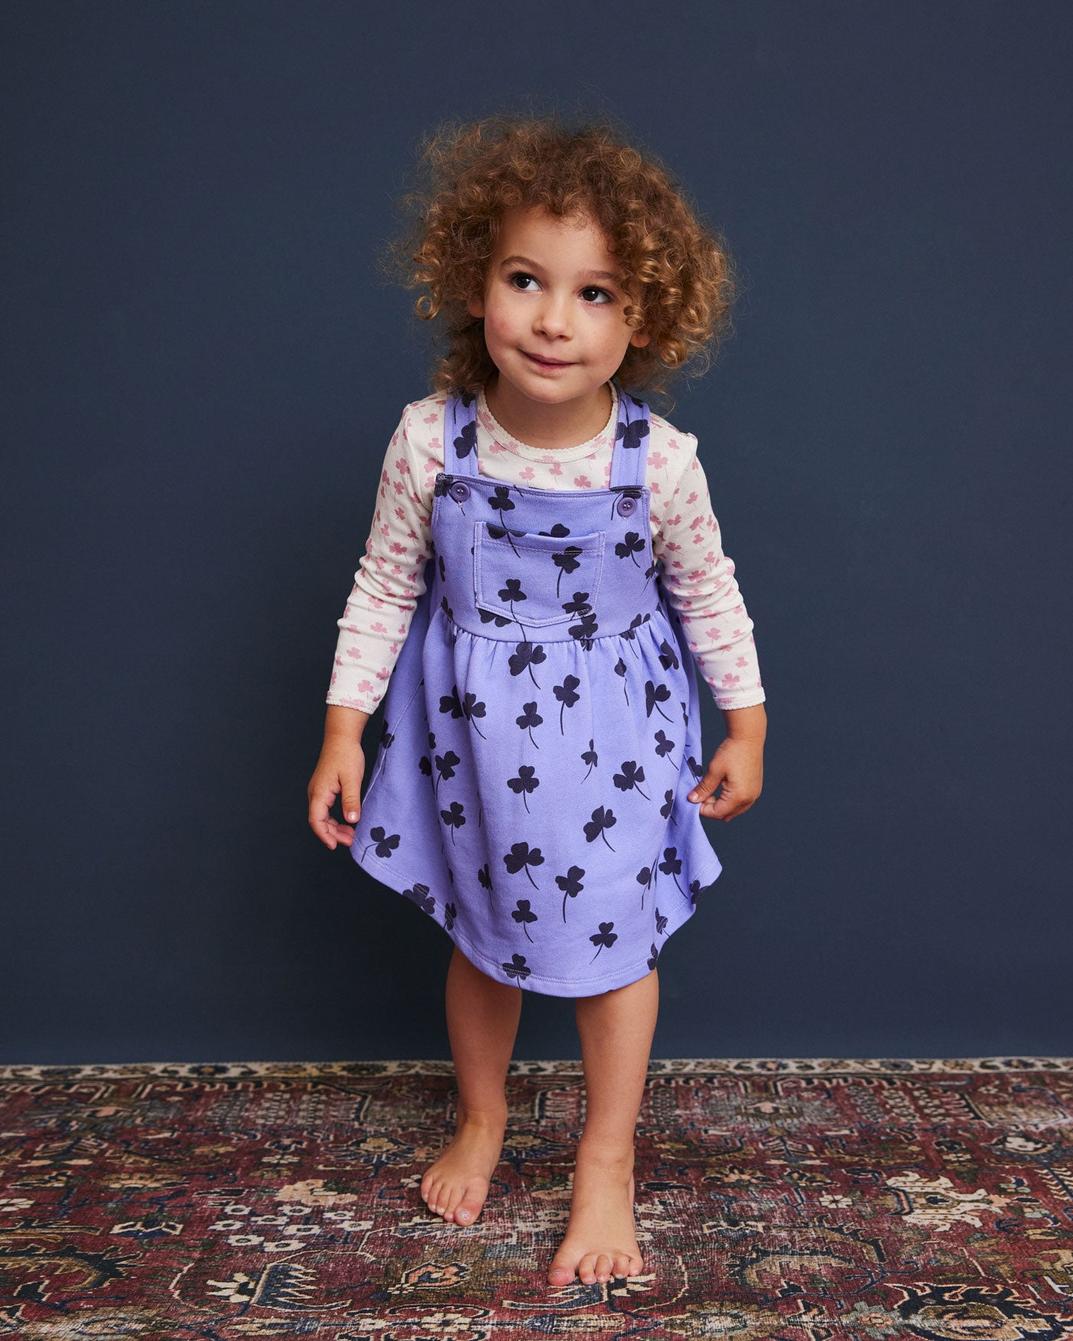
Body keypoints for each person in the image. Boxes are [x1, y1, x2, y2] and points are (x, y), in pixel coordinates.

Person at [307, 114, 768, 1289]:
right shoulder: (430, 442)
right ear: (475, 285)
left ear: (642, 319)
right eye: (525, 280)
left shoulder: (657, 464)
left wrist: (746, 724)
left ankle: (605, 1159)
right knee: (484, 939)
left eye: (594, 294)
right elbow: (383, 586)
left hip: (614, 745)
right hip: (469, 745)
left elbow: (708, 593)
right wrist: (343, 730)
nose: (554, 320)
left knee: (613, 955)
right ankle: (482, 1114)